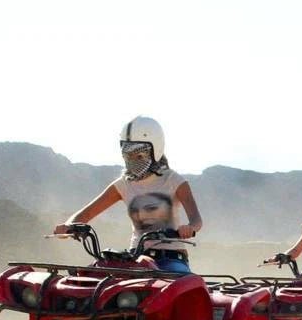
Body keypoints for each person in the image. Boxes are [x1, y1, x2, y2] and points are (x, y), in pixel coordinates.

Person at [53, 116, 202, 272]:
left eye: (139, 155)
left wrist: (190, 227)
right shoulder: (123, 184)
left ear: (155, 150)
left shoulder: (174, 180)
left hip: (170, 258)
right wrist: (69, 227)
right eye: (128, 155)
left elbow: (197, 220)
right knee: (89, 276)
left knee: (179, 288)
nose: (133, 161)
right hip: (136, 258)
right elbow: (86, 214)